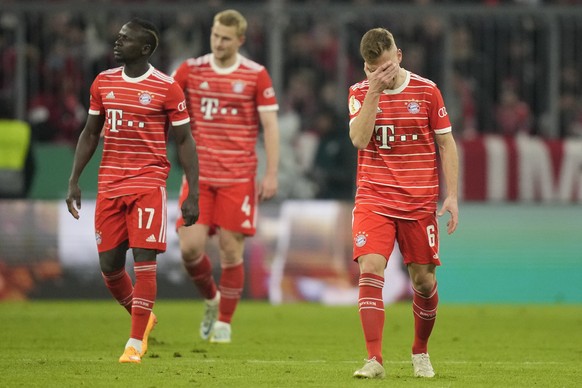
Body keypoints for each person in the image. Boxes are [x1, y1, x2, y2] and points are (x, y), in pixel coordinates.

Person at [65, 18, 200, 364]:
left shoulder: (167, 87)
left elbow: (184, 141)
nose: (117, 41)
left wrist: (193, 193)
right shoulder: (103, 82)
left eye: (125, 39)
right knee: (110, 267)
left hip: (148, 184)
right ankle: (144, 317)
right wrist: (74, 179)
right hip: (110, 184)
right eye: (119, 36)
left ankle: (135, 342)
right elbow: (91, 133)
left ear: (144, 49)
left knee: (144, 262)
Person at [348, 28, 459, 379]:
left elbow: (446, 144)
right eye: (377, 68)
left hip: (418, 202)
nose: (387, 72)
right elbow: (359, 139)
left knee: (424, 282)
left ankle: (420, 351)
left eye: (389, 64)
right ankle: (374, 358)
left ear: (400, 55)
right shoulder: (359, 93)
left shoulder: (427, 91)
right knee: (370, 267)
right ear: (368, 67)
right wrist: (375, 94)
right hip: (373, 198)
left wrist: (452, 195)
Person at [172, 9, 279, 344]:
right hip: (199, 175)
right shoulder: (190, 69)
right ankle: (211, 298)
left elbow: (270, 126)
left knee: (232, 249)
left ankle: (225, 323)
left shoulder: (255, 74)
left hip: (238, 176)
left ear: (240, 41)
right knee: (190, 249)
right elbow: (162, 103)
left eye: (226, 38)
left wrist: (271, 173)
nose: (218, 42)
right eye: (215, 35)